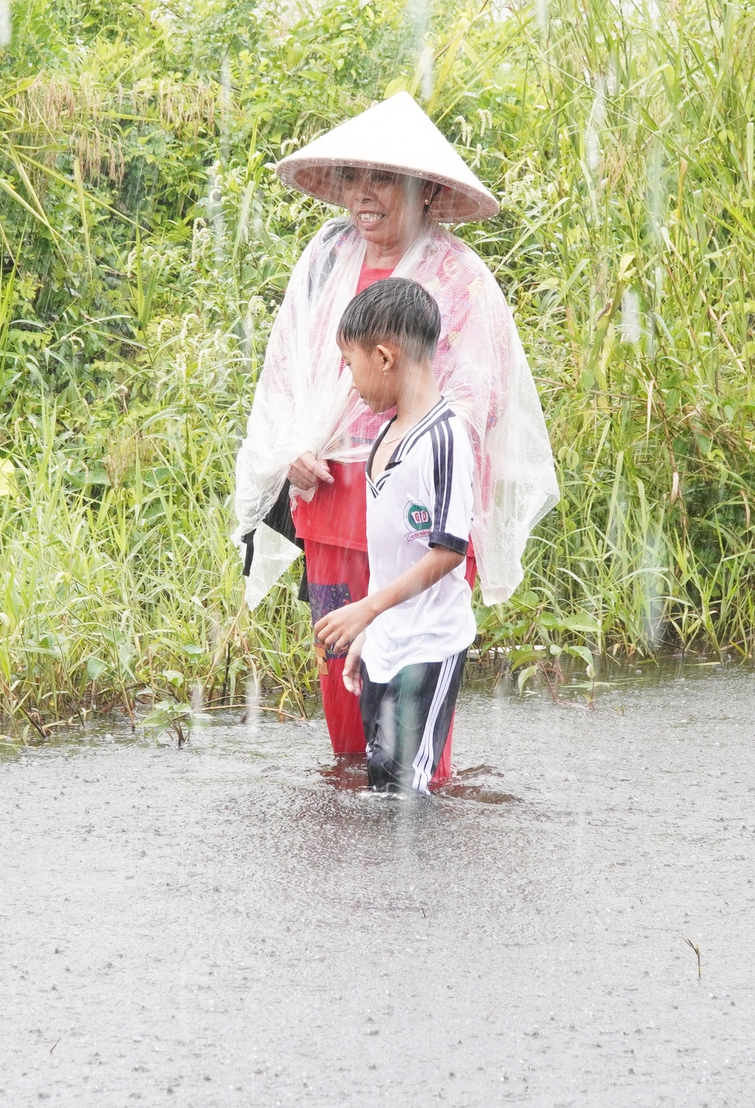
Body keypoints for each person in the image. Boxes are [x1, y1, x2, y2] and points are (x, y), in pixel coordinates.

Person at [233, 94, 559, 777]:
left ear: (428, 191)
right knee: (346, 687)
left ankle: (415, 842)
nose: (363, 195)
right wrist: (294, 443)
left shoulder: (461, 279)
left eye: (382, 179)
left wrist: (403, 446)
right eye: (353, 178)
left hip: (416, 505)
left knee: (411, 686)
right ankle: (363, 835)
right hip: (329, 502)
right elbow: (287, 367)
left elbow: (476, 396)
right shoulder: (324, 258)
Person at [310, 278, 477, 793]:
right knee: (381, 777)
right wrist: (370, 629)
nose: (348, 378)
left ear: (384, 357)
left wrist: (368, 609)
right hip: (385, 640)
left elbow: (449, 550)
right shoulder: (387, 432)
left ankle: (429, 875)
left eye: (350, 361)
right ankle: (387, 876)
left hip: (429, 642)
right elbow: (389, 557)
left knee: (404, 787)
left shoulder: (444, 437)